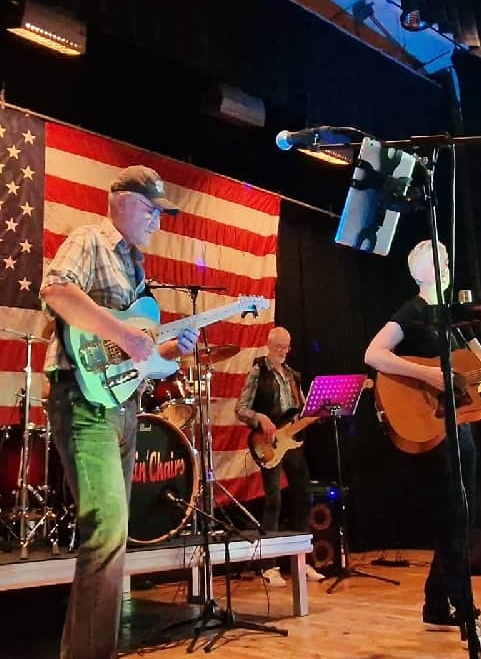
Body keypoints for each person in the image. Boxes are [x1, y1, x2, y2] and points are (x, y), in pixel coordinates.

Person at [363, 240, 481, 650]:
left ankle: (436, 604)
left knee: (461, 518)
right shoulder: (412, 311)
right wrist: (427, 375)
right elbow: (373, 354)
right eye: (440, 262)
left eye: (448, 260)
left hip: (460, 424)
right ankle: (464, 610)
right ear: (420, 273)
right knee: (454, 515)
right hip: (432, 424)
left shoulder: (455, 321)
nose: (448, 267)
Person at [40, 165, 199, 659]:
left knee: (116, 533)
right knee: (107, 528)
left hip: (121, 405)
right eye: (152, 209)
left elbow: (135, 361)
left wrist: (170, 350)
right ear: (124, 203)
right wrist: (125, 334)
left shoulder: (137, 268)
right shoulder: (90, 240)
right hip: (82, 400)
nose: (158, 221)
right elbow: (56, 290)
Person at [235, 326, 325, 586]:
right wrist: (260, 417)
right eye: (278, 347)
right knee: (273, 500)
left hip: (293, 442)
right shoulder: (258, 371)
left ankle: (302, 561)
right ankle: (268, 565)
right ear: (268, 345)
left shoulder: (293, 375)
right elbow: (240, 408)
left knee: (301, 497)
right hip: (269, 443)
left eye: (286, 347)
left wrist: (318, 412)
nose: (283, 352)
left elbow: (304, 407)